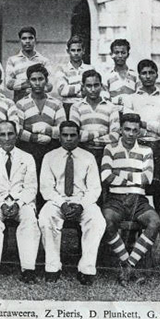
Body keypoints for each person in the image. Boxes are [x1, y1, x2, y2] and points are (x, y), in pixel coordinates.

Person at [38, 121, 106, 286]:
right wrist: (62, 203)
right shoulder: (50, 157)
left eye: (73, 135)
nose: (69, 139)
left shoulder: (88, 157)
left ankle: (86, 269)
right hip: (57, 200)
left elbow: (94, 188)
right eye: (65, 135)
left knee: (97, 221)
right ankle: (53, 266)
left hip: (82, 200)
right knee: (45, 218)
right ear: (59, 136)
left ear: (79, 136)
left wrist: (81, 204)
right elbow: (46, 188)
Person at [100, 113, 160, 286]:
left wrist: (119, 173)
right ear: (120, 130)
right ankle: (129, 266)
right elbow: (105, 175)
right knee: (106, 221)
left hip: (138, 200)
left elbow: (147, 178)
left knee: (155, 222)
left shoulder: (146, 151)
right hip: (116, 199)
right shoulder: (110, 149)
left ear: (139, 131)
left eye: (135, 130)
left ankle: (128, 266)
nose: (130, 133)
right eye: (127, 129)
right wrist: (134, 176)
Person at [0, 121, 39, 284]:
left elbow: (31, 188)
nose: (7, 138)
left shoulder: (27, 158)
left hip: (22, 202)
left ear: (16, 135)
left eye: (10, 133)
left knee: (29, 219)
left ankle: (28, 268)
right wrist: (2, 203)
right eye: (2, 134)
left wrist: (18, 204)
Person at [123, 59, 160, 210]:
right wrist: (157, 126)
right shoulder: (131, 98)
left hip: (159, 147)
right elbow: (130, 126)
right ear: (139, 76)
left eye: (151, 73)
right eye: (144, 73)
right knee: (137, 185)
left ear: (156, 75)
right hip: (138, 146)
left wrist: (145, 124)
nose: (147, 76)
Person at [15, 63, 64, 174]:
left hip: (51, 149)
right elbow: (18, 130)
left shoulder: (56, 103)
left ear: (46, 80)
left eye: (41, 79)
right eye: (33, 79)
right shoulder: (21, 104)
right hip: (28, 150)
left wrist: (42, 129)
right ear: (28, 82)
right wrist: (34, 137)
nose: (37, 83)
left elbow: (61, 129)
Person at [69, 69, 120, 170]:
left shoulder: (111, 107)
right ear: (83, 87)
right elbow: (75, 134)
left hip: (105, 153)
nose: (93, 89)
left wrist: (92, 141)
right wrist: (101, 133)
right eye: (89, 86)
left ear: (101, 86)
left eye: (96, 85)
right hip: (83, 153)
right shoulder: (76, 107)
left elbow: (115, 136)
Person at [5, 26, 54, 102]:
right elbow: (9, 83)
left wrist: (22, 84)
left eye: (30, 38)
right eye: (24, 38)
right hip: (19, 99)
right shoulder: (12, 60)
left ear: (35, 40)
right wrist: (33, 84)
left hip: (39, 100)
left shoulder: (44, 61)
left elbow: (50, 85)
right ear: (20, 41)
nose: (27, 41)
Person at [55, 35, 92, 119]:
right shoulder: (62, 69)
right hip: (68, 107)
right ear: (68, 51)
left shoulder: (89, 68)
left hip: (85, 106)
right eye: (73, 50)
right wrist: (81, 87)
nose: (76, 53)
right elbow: (62, 91)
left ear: (83, 51)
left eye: (78, 50)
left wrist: (71, 89)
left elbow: (92, 91)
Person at [101, 38, 138, 106]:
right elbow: (105, 98)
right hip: (114, 111)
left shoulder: (135, 75)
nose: (120, 56)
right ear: (111, 54)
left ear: (128, 54)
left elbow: (139, 96)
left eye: (123, 53)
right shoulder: (106, 76)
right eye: (117, 53)